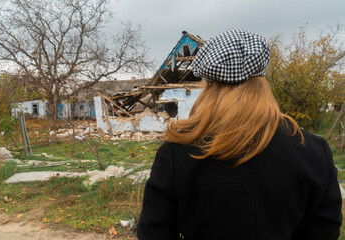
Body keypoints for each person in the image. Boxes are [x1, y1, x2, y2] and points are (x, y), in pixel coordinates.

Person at [137, 29, 342, 240]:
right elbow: (324, 231)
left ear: (209, 84)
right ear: (262, 78)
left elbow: (154, 232)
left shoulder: (176, 154)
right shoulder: (313, 151)